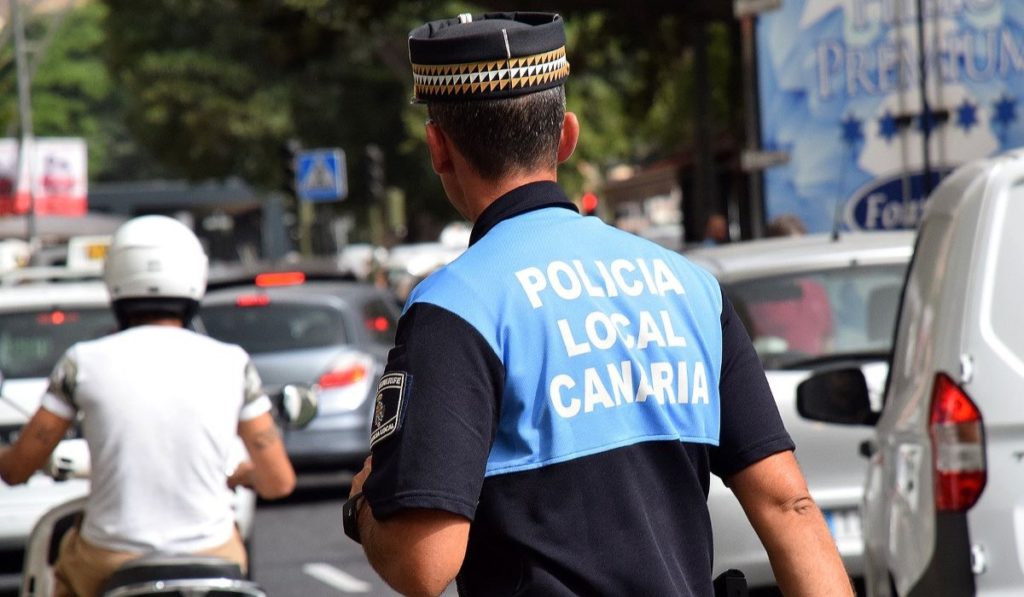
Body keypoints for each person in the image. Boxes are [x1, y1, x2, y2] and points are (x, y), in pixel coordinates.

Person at [343, 12, 853, 597]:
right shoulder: (690, 287)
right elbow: (789, 507)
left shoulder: (456, 307)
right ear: (567, 136)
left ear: (438, 148)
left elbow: (422, 564)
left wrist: (363, 502)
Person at [0, 215, 296, 596]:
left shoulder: (82, 362)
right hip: (212, 552)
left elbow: (18, 468)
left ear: (113, 277)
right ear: (196, 276)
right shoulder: (233, 362)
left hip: (109, 557)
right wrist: (243, 474)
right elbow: (278, 482)